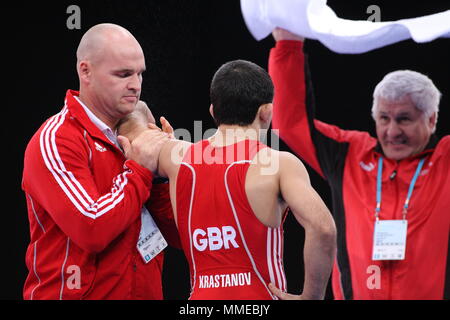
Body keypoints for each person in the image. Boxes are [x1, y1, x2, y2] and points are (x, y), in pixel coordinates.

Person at [118, 59, 337, 300]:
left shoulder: (176, 157)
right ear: (267, 112)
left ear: (213, 111)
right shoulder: (278, 164)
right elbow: (323, 228)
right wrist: (311, 297)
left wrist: (156, 135)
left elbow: (130, 114)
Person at [269, 28, 450, 300]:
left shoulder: (445, 160)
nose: (392, 131)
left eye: (404, 119)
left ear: (432, 120)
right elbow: (291, 123)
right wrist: (288, 44)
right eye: (384, 118)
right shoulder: (351, 154)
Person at [22, 23, 179, 300]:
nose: (136, 85)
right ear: (86, 71)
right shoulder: (56, 139)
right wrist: (141, 169)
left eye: (140, 73)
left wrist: (162, 178)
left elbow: (180, 236)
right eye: (123, 74)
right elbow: (92, 228)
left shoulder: (138, 135)